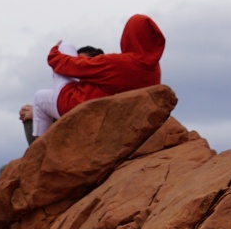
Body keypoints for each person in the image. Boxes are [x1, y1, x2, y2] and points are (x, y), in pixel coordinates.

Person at [19, 14, 165, 142]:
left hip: (82, 106)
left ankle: (37, 151)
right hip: (119, 118)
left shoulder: (120, 63)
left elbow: (72, 65)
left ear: (128, 35)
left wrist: (54, 54)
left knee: (41, 93)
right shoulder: (155, 70)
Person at [19, 44, 104, 144]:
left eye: (83, 63)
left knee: (39, 102)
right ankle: (38, 153)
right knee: (31, 111)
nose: (79, 67)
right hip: (71, 121)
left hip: (90, 125)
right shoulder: (69, 91)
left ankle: (39, 152)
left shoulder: (100, 84)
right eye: (77, 63)